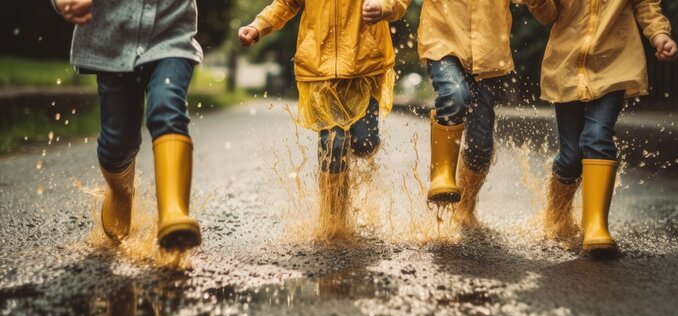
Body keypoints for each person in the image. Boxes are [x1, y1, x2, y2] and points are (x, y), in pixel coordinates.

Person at [237, 0, 410, 240]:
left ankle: (345, 192)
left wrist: (384, 6)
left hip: (365, 66)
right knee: (334, 143)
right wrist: (258, 27)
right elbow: (286, 3)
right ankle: (334, 220)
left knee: (365, 143)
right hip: (320, 70)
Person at [524, 0, 678, 257]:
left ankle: (596, 225)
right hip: (567, 67)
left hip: (614, 65)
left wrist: (659, 34)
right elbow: (547, 15)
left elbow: (646, 4)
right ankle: (557, 217)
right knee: (571, 156)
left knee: (597, 137)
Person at [52, 0, 204, 251]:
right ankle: (121, 193)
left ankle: (174, 212)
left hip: (172, 36)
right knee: (117, 142)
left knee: (167, 108)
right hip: (112, 42)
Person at [418, 0, 515, 229]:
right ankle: (442, 176)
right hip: (442, 40)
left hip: (488, 51)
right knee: (454, 95)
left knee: (481, 145)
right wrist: (385, 6)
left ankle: (466, 208)